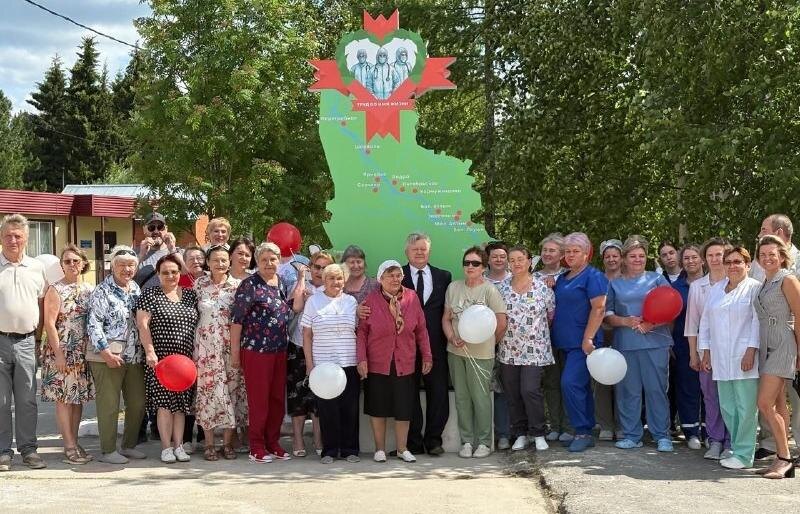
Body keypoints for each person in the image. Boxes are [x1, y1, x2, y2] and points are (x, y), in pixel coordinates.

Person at [231, 242, 303, 463]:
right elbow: (236, 321)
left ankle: (273, 443)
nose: (269, 263)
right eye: (264, 260)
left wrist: (302, 279)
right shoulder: (249, 285)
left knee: (276, 400)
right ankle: (256, 446)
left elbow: (292, 308)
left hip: (279, 350)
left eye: (273, 259)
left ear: (279, 261)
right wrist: (235, 353)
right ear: (257, 261)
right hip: (256, 351)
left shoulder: (279, 282)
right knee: (259, 401)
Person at [357, 260, 433, 463]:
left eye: (398, 275)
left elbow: (421, 329)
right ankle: (379, 449)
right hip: (378, 362)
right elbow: (362, 333)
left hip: (404, 361)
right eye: (390, 275)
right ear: (380, 279)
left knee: (404, 408)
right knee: (378, 407)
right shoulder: (370, 299)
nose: (395, 279)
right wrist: (361, 359)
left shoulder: (411, 297)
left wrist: (427, 355)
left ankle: (402, 448)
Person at [605, 235, 674, 451]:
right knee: (628, 391)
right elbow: (607, 315)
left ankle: (662, 435)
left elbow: (672, 308)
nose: (637, 259)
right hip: (626, 344)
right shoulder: (614, 284)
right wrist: (624, 321)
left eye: (641, 256)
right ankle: (631, 435)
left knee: (656, 390)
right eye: (633, 256)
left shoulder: (657, 279)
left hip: (655, 343)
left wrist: (652, 323)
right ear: (624, 259)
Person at [699, 246, 761, 470]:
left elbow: (757, 322)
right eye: (729, 262)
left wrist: (751, 350)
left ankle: (745, 455)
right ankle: (735, 448)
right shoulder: (717, 289)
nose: (732, 266)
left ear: (747, 265)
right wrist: (705, 352)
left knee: (745, 407)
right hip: (720, 358)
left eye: (737, 262)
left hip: (744, 356)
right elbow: (705, 322)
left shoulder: (754, 288)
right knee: (727, 406)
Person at [443, 247, 508, 458]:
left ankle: (484, 443)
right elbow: (446, 319)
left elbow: (501, 323)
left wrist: (488, 343)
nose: (470, 266)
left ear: (483, 267)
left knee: (480, 398)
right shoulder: (453, 287)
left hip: (481, 355)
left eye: (475, 263)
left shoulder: (490, 290)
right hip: (456, 352)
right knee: (462, 398)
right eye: (467, 263)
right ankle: (467, 442)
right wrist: (452, 337)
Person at [86, 245, 146, 465]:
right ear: (112, 266)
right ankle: (108, 450)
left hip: (134, 356)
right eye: (121, 265)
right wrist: (105, 352)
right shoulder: (102, 291)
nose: (126, 269)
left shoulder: (136, 289)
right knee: (109, 405)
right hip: (108, 356)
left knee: (138, 403)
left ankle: (128, 446)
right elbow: (93, 323)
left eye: (131, 265)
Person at [137, 253, 199, 464]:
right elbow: (142, 324)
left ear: (180, 273)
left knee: (181, 406)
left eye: (174, 272)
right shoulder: (150, 294)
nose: (170, 276)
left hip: (185, 360)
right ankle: (166, 447)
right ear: (158, 274)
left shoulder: (190, 295)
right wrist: (149, 351)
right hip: (161, 360)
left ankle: (179, 445)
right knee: (164, 405)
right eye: (165, 272)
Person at [551, 233, 608, 452]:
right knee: (579, 386)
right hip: (563, 343)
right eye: (567, 251)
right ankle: (585, 431)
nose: (570, 255)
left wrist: (588, 337)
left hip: (583, 344)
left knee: (570, 384)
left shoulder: (593, 276)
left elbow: (599, 308)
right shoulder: (562, 278)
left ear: (586, 254)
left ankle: (583, 431)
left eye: (576, 251)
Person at [0, 214, 48, 472]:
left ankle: (29, 450)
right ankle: (2, 452)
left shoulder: (37, 268)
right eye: (8, 235)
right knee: (1, 401)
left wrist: (39, 339)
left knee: (28, 400)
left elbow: (42, 304)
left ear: (26, 238)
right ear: (1, 237)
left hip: (28, 342)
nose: (13, 240)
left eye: (17, 235)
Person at [750, 214, 800, 459]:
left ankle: (784, 458)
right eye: (763, 255)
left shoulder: (788, 279)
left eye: (772, 254)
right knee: (778, 404)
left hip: (783, 344)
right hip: (766, 345)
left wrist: (799, 353)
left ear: (781, 256)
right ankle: (782, 456)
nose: (767, 258)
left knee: (764, 403)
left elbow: (799, 316)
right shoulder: (764, 282)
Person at [40, 244, 95, 464]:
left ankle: (75, 441)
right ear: (62, 265)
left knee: (77, 399)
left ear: (83, 263)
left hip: (82, 352)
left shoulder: (89, 289)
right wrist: (59, 354)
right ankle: (69, 446)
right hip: (61, 350)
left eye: (75, 260)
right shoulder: (55, 289)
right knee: (64, 399)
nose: (71, 264)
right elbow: (49, 324)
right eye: (67, 261)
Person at [192, 245, 247, 461]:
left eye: (224, 260)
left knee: (231, 393)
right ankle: (209, 444)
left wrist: (237, 351)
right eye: (215, 260)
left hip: (230, 348)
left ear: (229, 261)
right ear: (208, 262)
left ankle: (228, 443)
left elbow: (241, 319)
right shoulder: (199, 284)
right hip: (205, 349)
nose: (220, 264)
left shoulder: (237, 286)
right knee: (207, 394)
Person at [497, 246, 555, 452]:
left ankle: (538, 433)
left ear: (530, 261)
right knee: (512, 393)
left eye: (520, 259)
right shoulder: (501, 289)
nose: (516, 263)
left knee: (530, 390)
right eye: (512, 260)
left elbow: (550, 317)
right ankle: (520, 433)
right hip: (508, 349)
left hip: (535, 349)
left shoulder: (542, 288)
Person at [302, 264, 360, 463]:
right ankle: (330, 450)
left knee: (350, 408)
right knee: (327, 410)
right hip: (323, 366)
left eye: (339, 278)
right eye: (331, 278)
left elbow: (359, 331)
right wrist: (310, 364)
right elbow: (307, 335)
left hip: (349, 363)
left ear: (345, 280)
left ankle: (350, 450)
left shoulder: (351, 302)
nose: (336, 282)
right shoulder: (313, 301)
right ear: (324, 281)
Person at [402, 233, 452, 456]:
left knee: (438, 393)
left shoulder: (444, 276)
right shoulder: (397, 275)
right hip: (406, 347)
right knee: (408, 394)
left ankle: (433, 441)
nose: (420, 252)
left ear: (429, 252)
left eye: (423, 249)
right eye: (415, 249)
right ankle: (412, 442)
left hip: (436, 345)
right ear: (407, 252)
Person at [685, 238, 732, 460]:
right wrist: (694, 353)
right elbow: (692, 323)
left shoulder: (737, 283)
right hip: (706, 352)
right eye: (710, 255)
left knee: (732, 399)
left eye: (719, 254)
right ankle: (715, 440)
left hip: (732, 351)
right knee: (711, 397)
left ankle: (732, 441)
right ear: (705, 259)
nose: (715, 259)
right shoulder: (697, 287)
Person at [288, 251, 333, 457]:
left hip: (322, 348)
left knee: (319, 396)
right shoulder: (301, 286)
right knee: (297, 395)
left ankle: (318, 438)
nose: (320, 271)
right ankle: (298, 439)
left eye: (325, 268)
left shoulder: (332, 289)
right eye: (316, 267)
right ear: (310, 267)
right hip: (298, 346)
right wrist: (300, 279)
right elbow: (296, 307)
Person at [535, 233, 573, 442]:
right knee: (551, 382)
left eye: (552, 250)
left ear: (561, 254)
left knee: (569, 381)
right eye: (545, 250)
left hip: (568, 336)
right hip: (544, 338)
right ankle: (555, 426)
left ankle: (569, 426)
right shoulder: (534, 277)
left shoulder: (570, 274)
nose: (547, 254)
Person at [669, 244, 704, 450]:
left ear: (702, 260)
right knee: (687, 388)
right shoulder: (675, 288)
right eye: (687, 258)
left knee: (709, 390)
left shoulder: (716, 284)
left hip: (711, 344)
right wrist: (670, 343)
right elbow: (669, 318)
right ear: (682, 262)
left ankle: (711, 432)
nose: (691, 261)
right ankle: (691, 432)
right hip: (682, 344)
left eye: (694, 257)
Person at [485, 241, 512, 450]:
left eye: (502, 256)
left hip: (513, 344)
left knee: (508, 389)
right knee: (490, 389)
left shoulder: (517, 279)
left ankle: (508, 433)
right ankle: (491, 435)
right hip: (485, 343)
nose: (499, 259)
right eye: (495, 256)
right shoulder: (480, 280)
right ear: (488, 259)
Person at [596, 239, 624, 441]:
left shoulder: (629, 279)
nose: (612, 259)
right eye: (608, 256)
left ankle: (623, 424)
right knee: (601, 380)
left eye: (615, 256)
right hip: (600, 335)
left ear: (621, 258)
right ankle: (605, 424)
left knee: (624, 380)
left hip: (623, 334)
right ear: (603, 259)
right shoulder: (597, 280)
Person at [134, 212, 184, 291]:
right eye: (151, 227)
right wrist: (141, 255)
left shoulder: (180, 253)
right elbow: (125, 278)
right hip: (144, 298)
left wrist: (172, 250)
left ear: (166, 229)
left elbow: (188, 277)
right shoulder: (134, 254)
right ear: (144, 230)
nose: (156, 231)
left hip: (172, 298)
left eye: (160, 227)